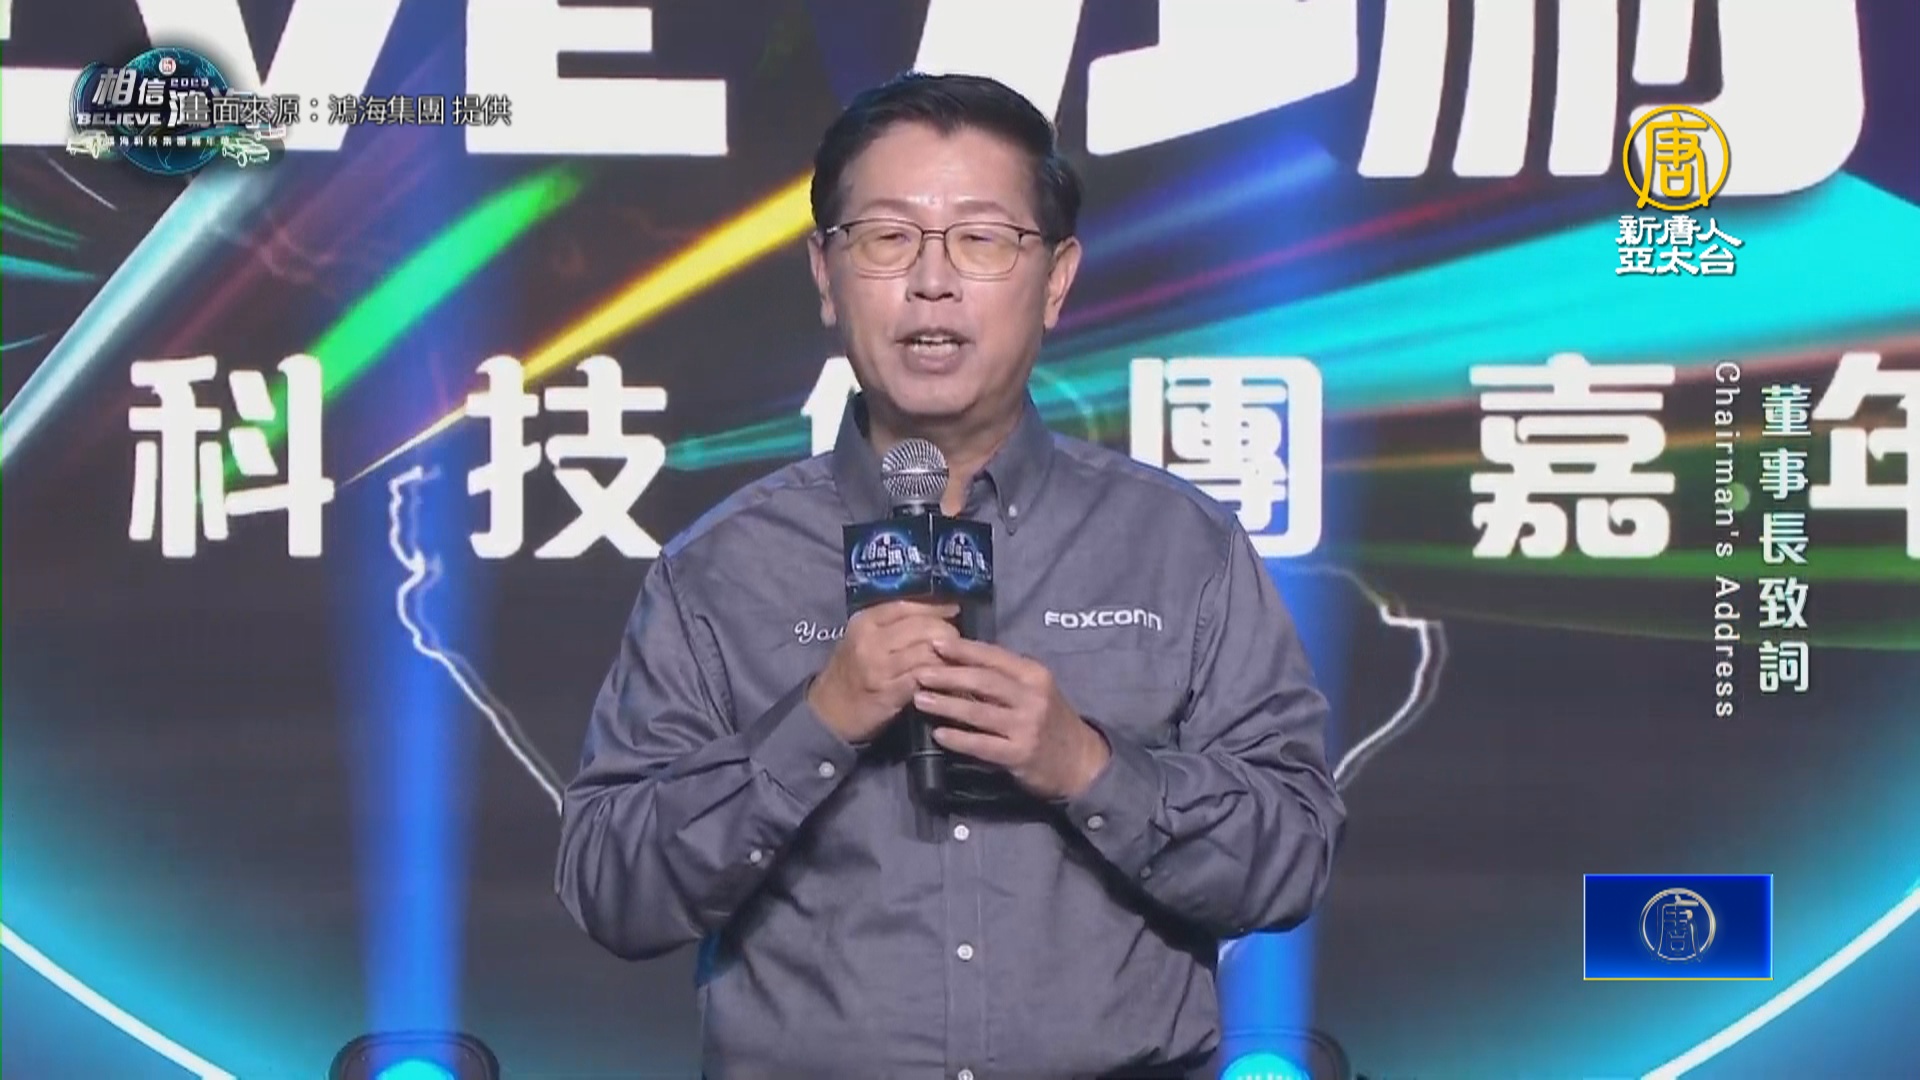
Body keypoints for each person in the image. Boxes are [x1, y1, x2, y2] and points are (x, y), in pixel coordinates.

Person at [555, 71, 1345, 1080]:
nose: (932, 282)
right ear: (825, 274)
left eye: (981, 239)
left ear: (1055, 279)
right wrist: (815, 726)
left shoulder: (1182, 546)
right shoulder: (720, 569)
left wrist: (1086, 766)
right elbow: (610, 887)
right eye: (888, 237)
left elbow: (1291, 856)